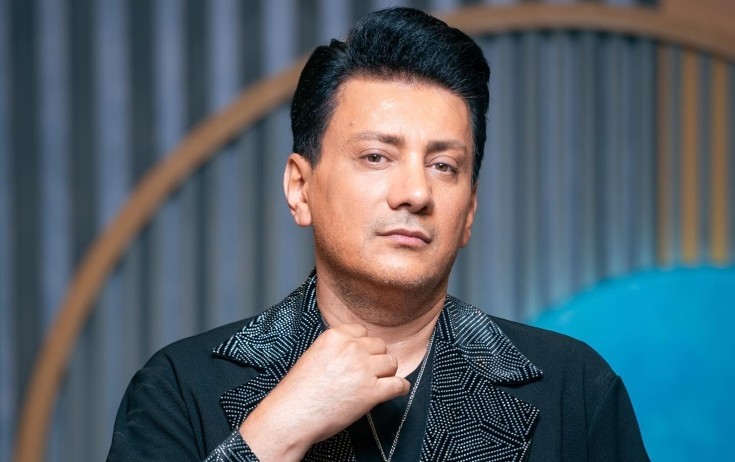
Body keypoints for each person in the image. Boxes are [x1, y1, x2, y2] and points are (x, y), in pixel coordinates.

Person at [107, 7, 648, 461]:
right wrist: (277, 430)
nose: (414, 193)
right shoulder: (179, 388)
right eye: (376, 157)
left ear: (470, 210)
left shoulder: (573, 389)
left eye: (444, 166)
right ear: (300, 188)